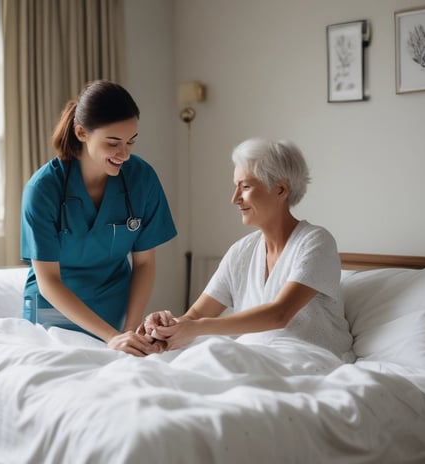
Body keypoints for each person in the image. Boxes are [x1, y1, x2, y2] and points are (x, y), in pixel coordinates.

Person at [140, 138, 354, 362]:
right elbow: (195, 316)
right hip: (254, 355)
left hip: (307, 356)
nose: (235, 199)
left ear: (280, 189)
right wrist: (165, 330)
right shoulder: (241, 252)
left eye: (245, 187)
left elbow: (279, 314)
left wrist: (196, 327)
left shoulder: (316, 242)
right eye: (236, 187)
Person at [20, 79, 177, 356]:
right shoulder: (43, 189)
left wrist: (128, 332)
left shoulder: (142, 179)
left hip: (114, 314)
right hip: (54, 319)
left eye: (131, 142)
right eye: (113, 142)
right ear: (81, 132)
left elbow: (144, 263)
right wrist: (112, 337)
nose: (125, 154)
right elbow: (48, 281)